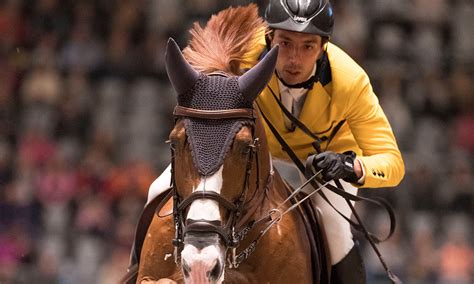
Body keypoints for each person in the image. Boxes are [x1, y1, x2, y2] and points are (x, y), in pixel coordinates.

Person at [142, 1, 404, 283]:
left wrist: (350, 165)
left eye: (308, 46)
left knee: (335, 226)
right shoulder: (244, 54)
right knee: (157, 189)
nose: (294, 59)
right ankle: (136, 272)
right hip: (248, 154)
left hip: (324, 165)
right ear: (269, 38)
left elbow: (392, 162)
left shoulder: (351, 82)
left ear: (323, 46)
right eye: (286, 43)